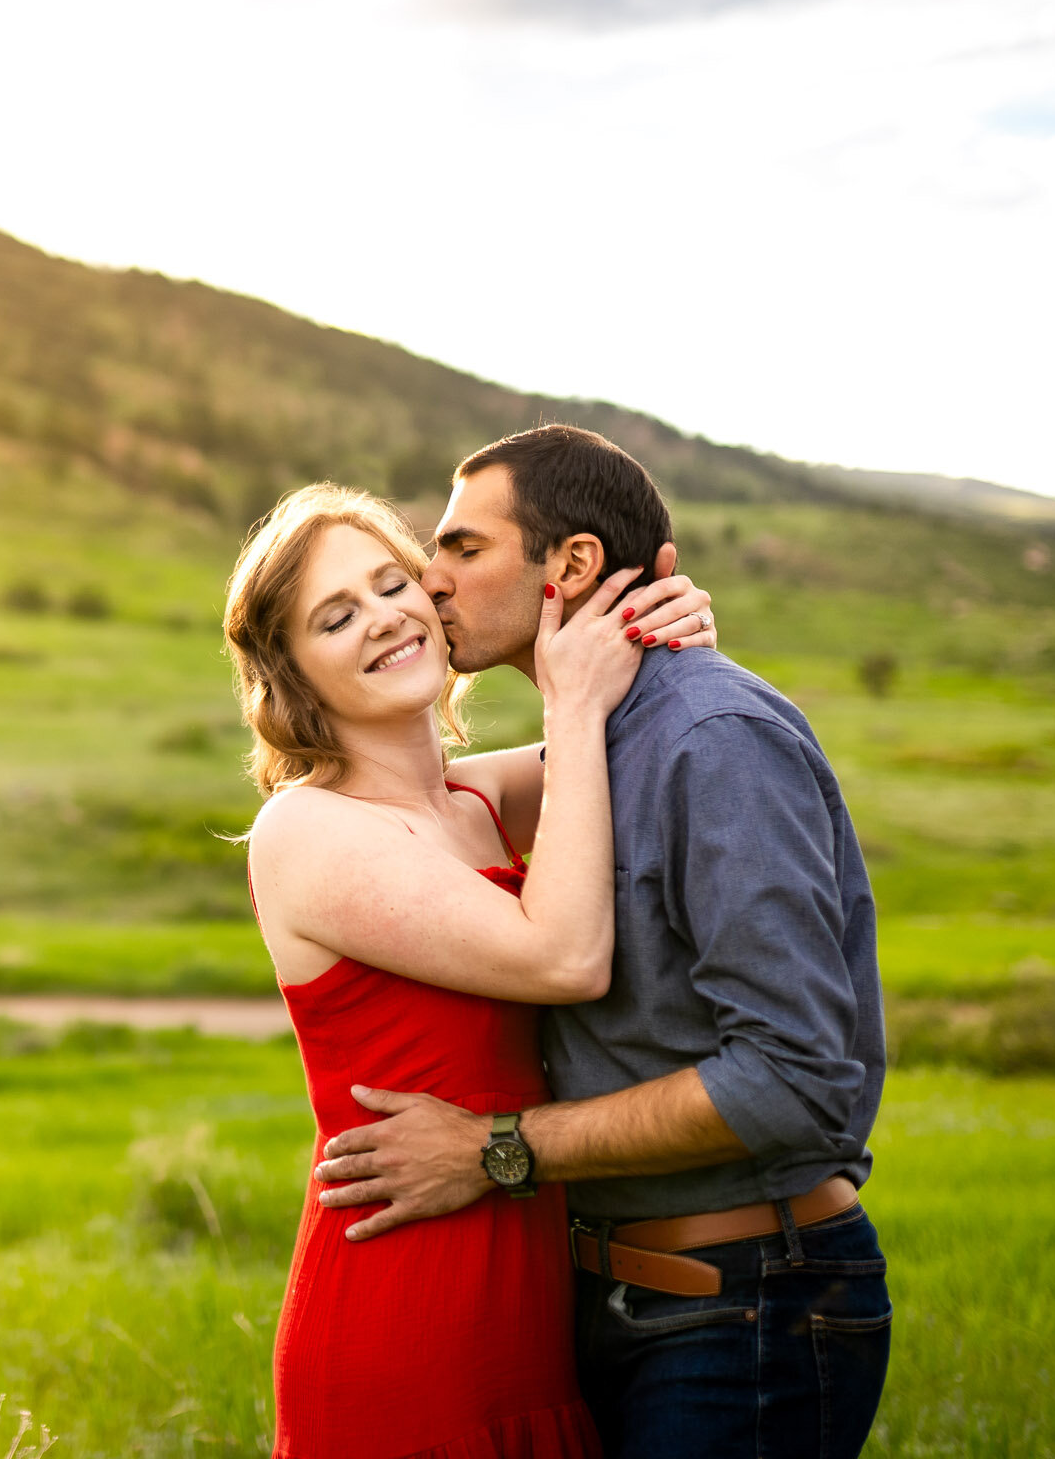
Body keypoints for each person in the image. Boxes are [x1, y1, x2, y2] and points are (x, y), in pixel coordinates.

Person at [308, 425, 891, 1459]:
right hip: (612, 1303)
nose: (428, 582)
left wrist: (500, 1149)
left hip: (739, 1305)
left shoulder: (711, 739)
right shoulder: (589, 745)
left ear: (570, 565)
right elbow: (416, 798)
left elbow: (794, 1076)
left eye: (463, 549)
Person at [225, 481, 720, 1459]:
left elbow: (648, 730)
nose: (382, 618)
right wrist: (574, 705)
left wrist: (670, 622)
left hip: (530, 1313)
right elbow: (565, 955)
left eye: (391, 583)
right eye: (335, 615)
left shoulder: (478, 798)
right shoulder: (307, 830)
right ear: (293, 674)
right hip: (402, 1310)